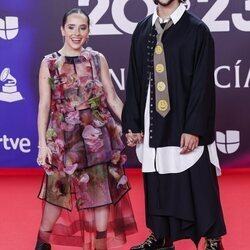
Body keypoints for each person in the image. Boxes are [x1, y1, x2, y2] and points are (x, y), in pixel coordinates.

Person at [122, 0, 226, 249]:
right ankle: (160, 235)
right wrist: (133, 123)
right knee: (157, 179)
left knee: (198, 179)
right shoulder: (143, 29)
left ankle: (212, 238)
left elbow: (202, 84)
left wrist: (194, 128)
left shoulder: (196, 29)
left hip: (184, 121)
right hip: (152, 120)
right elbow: (135, 78)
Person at [35, 8, 137, 250]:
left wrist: (132, 127)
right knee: (57, 194)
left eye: (82, 28)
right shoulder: (49, 63)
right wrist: (42, 144)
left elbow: (112, 98)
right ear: (62, 30)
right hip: (62, 138)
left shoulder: (96, 59)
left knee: (101, 193)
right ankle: (42, 241)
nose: (76, 33)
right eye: (71, 27)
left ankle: (99, 245)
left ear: (89, 32)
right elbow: (44, 105)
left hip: (98, 138)